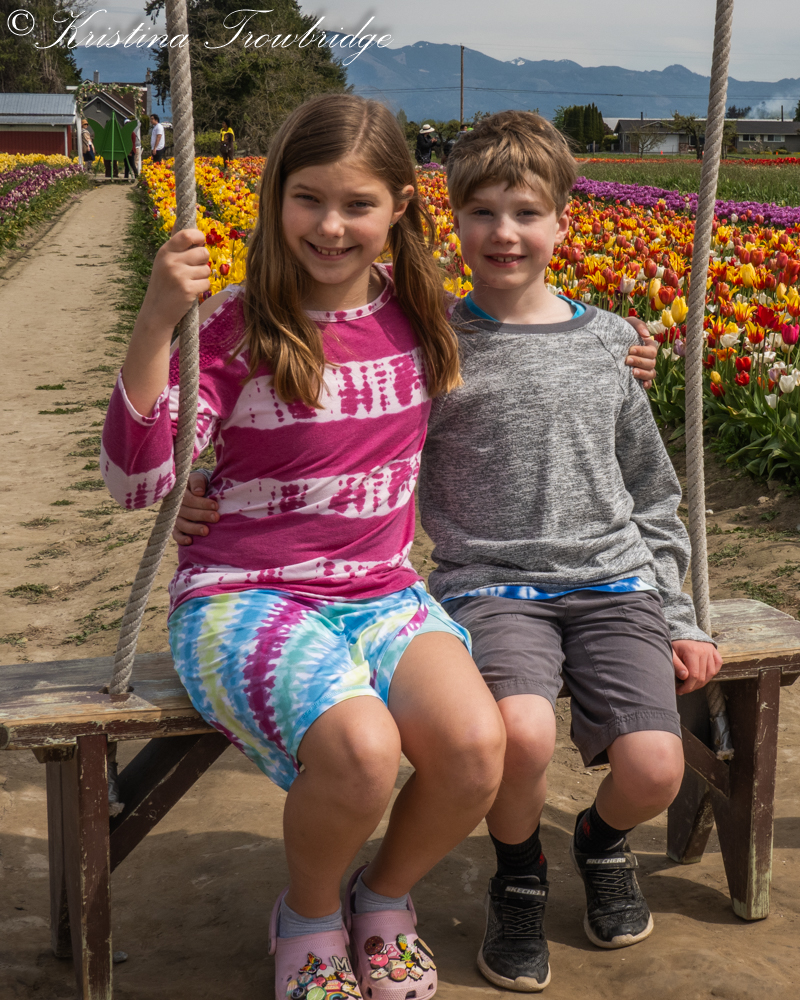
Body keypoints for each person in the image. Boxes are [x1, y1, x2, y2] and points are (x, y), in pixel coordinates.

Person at [101, 93, 508, 1000]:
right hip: (243, 595)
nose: (330, 227)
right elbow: (135, 485)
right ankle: (310, 917)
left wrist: (624, 349)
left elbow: (534, 347)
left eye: (358, 204)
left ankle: (383, 898)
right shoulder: (233, 326)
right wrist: (156, 319)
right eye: (308, 199)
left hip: (383, 592)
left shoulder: (425, 316)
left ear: (399, 207)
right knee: (363, 750)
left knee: (478, 747)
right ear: (275, 197)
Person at [421, 111, 721, 990]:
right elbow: (356, 437)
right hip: (490, 584)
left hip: (614, 581)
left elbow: (653, 491)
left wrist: (679, 612)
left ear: (561, 222)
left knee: (656, 768)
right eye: (482, 212)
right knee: (519, 733)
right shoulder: (433, 342)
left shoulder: (612, 341)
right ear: (454, 219)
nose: (503, 233)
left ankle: (599, 841)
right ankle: (519, 874)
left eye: (525, 213)